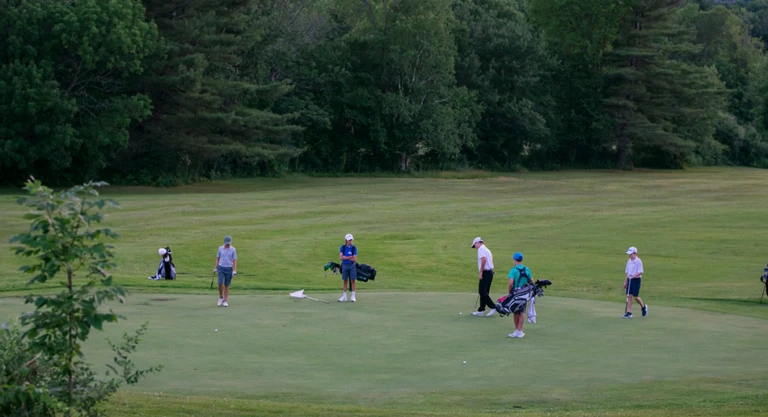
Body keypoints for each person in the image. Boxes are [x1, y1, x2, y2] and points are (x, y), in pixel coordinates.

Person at [507, 252, 534, 338]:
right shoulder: (527, 269)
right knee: (522, 312)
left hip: (515, 293)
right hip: (524, 293)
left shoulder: (513, 270)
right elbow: (532, 281)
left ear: (514, 260)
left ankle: (518, 331)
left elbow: (511, 283)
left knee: (515, 312)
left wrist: (509, 292)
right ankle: (519, 331)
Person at [471, 237, 496, 317]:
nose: (475, 248)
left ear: (478, 243)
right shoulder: (487, 249)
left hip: (486, 272)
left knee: (482, 291)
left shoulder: (481, 249)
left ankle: (493, 307)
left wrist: (481, 272)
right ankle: (481, 310)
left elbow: (484, 260)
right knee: (485, 292)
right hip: (490, 272)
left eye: (475, 246)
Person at [623, 246, 647, 318]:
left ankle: (643, 307)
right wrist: (625, 282)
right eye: (629, 254)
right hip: (630, 279)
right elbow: (627, 272)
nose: (629, 255)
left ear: (635, 253)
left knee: (635, 297)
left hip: (636, 280)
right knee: (629, 296)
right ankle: (629, 312)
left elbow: (640, 272)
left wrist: (633, 276)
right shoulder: (629, 261)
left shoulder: (638, 261)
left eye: (631, 254)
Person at [213, 236, 237, 307]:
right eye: (227, 244)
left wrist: (234, 270)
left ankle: (225, 301)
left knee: (227, 285)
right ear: (224, 242)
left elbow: (234, 260)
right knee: (220, 283)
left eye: (229, 244)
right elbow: (218, 258)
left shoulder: (233, 249)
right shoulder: (220, 248)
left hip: (229, 268)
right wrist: (215, 268)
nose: (228, 245)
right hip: (221, 268)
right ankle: (220, 297)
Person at [339, 234, 358, 302]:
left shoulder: (354, 248)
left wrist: (345, 258)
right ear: (346, 240)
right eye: (349, 240)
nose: (350, 241)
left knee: (353, 280)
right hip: (344, 265)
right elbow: (341, 257)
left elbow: (354, 259)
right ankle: (344, 296)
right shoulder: (343, 247)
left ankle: (353, 296)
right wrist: (350, 257)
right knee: (345, 281)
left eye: (351, 240)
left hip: (352, 266)